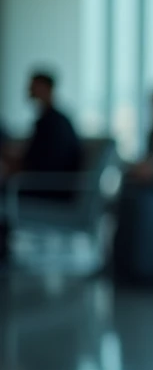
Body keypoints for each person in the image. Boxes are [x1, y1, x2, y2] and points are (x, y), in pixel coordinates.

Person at [0, 71, 85, 266]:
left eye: (32, 85)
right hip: (48, 183)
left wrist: (17, 165)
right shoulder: (49, 120)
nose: (28, 90)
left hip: (53, 189)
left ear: (46, 89)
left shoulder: (54, 123)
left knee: (5, 190)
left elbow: (46, 163)